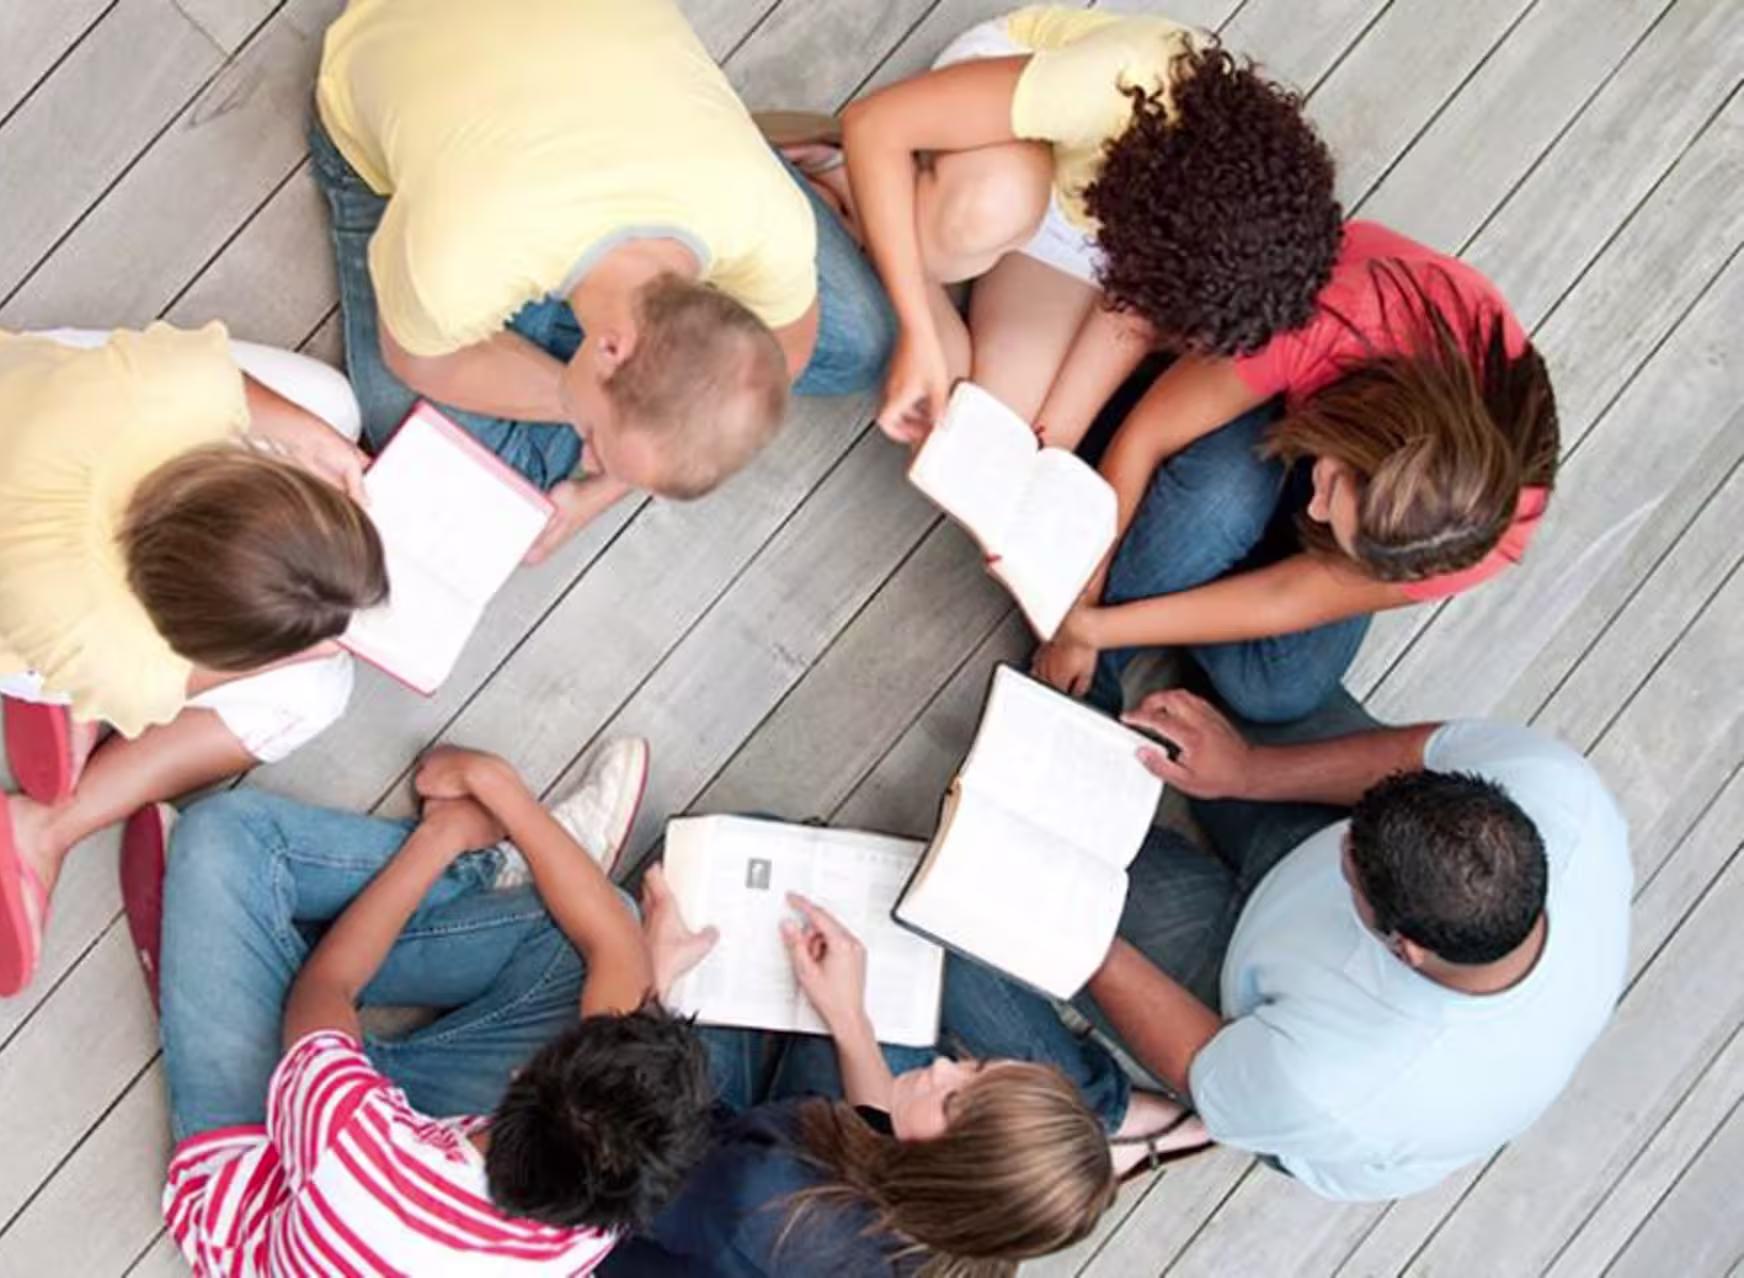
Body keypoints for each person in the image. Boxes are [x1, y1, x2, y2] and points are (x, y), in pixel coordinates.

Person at [0, 323, 385, 999]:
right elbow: (178, 680)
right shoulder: (123, 655)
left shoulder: (158, 396)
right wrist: (289, 654)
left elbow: (215, 378)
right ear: (202, 632)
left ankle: (68, 711)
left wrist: (317, 443)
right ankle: (47, 825)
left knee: (333, 407)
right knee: (321, 692)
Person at [309, 0, 896, 562]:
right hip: (393, 79)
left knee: (861, 345)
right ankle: (562, 353)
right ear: (613, 348)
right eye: (594, 438)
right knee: (471, 474)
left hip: (584, 121)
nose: (589, 457)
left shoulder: (764, 217)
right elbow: (421, 365)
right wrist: (583, 408)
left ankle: (571, 355)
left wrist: (609, 483)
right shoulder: (463, 259)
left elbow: (784, 353)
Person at [131, 737, 716, 1274]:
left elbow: (327, 984)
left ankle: (470, 867)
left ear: (521, 1076)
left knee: (220, 842)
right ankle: (235, 951)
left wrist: (447, 834)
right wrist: (648, 973)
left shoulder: (352, 1147)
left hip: (276, 1163)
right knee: (590, 942)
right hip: (401, 1144)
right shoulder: (596, 1210)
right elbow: (613, 946)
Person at [1080, 685, 1629, 1200]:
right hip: (1347, 881)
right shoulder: (1557, 789)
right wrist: (1248, 771)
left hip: (1245, 1028)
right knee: (1234, 697)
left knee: (1069, 865)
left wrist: (1084, 931)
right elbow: (1419, 754)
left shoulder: (1338, 1084)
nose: (1344, 837)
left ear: (1403, 948)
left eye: (1350, 866)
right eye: (1355, 828)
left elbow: (1199, 1063)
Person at [1034, 222, 1559, 723]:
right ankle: (1161, 585)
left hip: (1358, 447)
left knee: (1279, 690)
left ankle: (1186, 564)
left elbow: (1285, 598)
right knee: (1219, 502)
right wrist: (1083, 617)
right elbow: (1146, 437)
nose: (1315, 505)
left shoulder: (1482, 532)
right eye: (1329, 486)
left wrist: (1100, 628)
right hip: (1298, 360)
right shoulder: (1340, 317)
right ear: (1358, 435)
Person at [602, 868, 1213, 1274]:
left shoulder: (768, 1195)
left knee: (628, 919)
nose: (945, 1065)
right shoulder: (962, 1244)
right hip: (761, 1170)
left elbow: (626, 1154)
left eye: (952, 1101)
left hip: (641, 1186)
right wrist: (849, 1019)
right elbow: (881, 1147)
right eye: (974, 1069)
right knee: (764, 899)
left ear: (950, 1175)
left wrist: (651, 986)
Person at [812, 6, 1338, 443]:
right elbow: (875, 121)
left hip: (1090, 216)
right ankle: (849, 181)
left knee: (978, 433)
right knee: (990, 209)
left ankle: (894, 247)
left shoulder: (1198, 230)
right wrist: (917, 329)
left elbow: (1128, 314)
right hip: (1010, 135)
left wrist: (1053, 441)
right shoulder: (1123, 82)